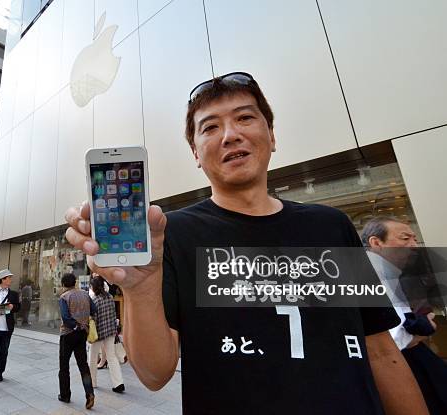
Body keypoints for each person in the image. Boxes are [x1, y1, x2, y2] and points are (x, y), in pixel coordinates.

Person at [65, 72, 428, 414]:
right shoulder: (172, 234)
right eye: (210, 127)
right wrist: (141, 290)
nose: (230, 135)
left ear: (271, 135)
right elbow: (154, 374)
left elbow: (380, 351)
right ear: (195, 152)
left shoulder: (331, 225)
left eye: (244, 118)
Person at [363, 217, 447, 414]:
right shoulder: (369, 276)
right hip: (399, 365)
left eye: (415, 239)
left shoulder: (391, 274)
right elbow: (387, 340)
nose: (414, 245)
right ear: (377, 243)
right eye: (405, 238)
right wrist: (419, 332)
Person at [58, 273, 96, 409]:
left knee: (64, 366)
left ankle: (65, 395)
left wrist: (75, 325)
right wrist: (83, 323)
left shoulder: (64, 297)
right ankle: (89, 393)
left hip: (68, 334)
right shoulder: (85, 294)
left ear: (63, 284)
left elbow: (66, 318)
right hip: (82, 334)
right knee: (83, 365)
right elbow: (94, 309)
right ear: (75, 282)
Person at [88, 275, 124, 393]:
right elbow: (114, 315)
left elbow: (93, 320)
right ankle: (118, 383)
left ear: (93, 287)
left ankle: (92, 382)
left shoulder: (94, 301)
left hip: (98, 334)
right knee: (112, 356)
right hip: (110, 331)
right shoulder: (109, 297)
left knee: (92, 358)